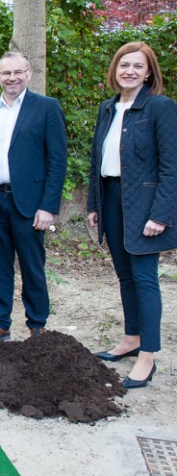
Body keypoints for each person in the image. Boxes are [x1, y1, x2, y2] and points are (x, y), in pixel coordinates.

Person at [87, 42, 177, 389]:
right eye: (124, 65)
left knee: (144, 278)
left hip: (145, 204)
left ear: (149, 72)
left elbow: (171, 167)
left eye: (138, 66)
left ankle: (148, 355)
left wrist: (161, 214)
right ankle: (131, 338)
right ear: (115, 70)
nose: (130, 71)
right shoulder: (107, 108)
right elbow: (99, 161)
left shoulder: (161, 108)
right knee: (125, 276)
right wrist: (94, 204)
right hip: (111, 197)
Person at [0, 51, 67, 346]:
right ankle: (0, 324)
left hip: (29, 203)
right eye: (5, 73)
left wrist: (48, 206)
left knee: (32, 266)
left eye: (17, 72)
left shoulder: (47, 108)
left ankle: (37, 326)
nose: (12, 78)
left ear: (29, 73)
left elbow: (57, 161)